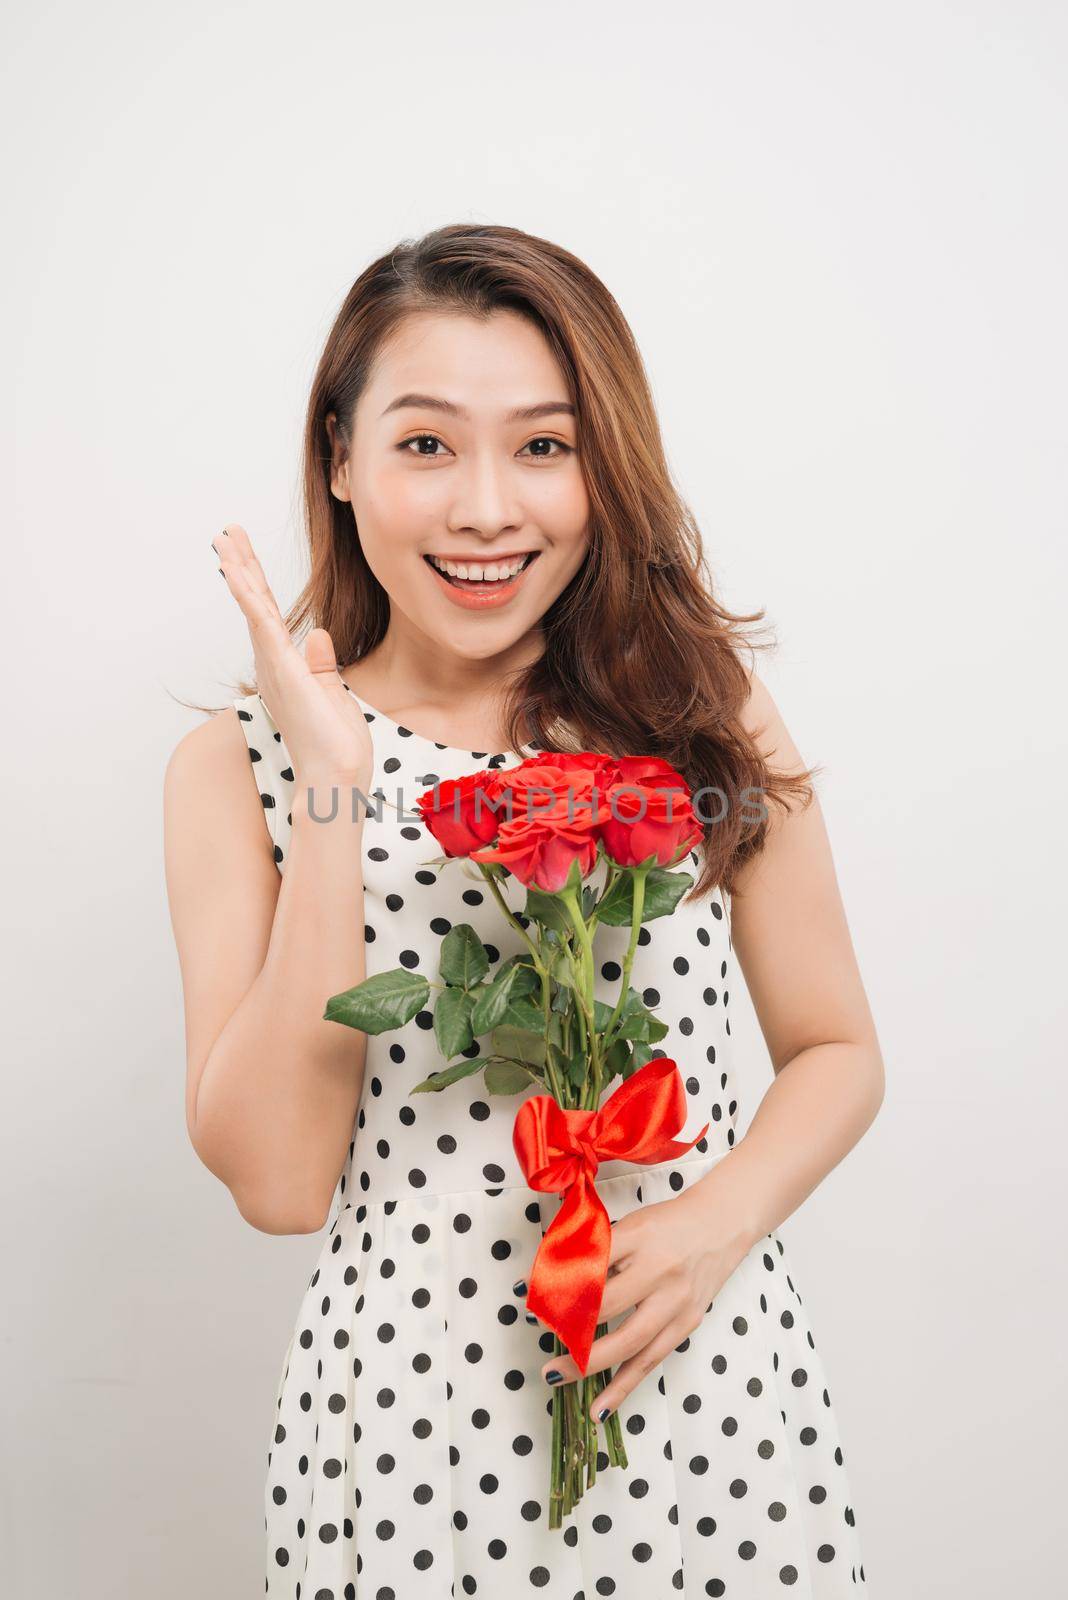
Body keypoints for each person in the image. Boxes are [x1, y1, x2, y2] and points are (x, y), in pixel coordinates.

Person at [163, 223, 882, 1596]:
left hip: (705, 1405)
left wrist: (713, 1225)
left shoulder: (698, 710)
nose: (488, 508)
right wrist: (334, 790)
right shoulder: (236, 770)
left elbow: (840, 1049)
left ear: (599, 466)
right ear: (340, 457)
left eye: (544, 447)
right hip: (412, 1437)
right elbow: (276, 1181)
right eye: (426, 444)